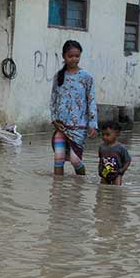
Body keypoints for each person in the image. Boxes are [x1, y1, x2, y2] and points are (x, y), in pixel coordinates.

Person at [51, 40, 98, 177]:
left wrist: (93, 124)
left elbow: (92, 100)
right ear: (64, 56)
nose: (74, 59)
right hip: (61, 126)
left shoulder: (86, 77)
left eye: (77, 56)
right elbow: (53, 100)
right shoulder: (58, 77)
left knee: (75, 159)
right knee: (58, 159)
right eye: (70, 56)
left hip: (79, 127)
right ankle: (57, 191)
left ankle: (81, 182)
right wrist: (54, 120)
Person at [98, 120, 131, 185]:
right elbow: (101, 160)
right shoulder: (101, 147)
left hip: (117, 173)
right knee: (102, 189)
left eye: (107, 134)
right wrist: (100, 170)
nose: (104, 137)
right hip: (105, 172)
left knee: (116, 189)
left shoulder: (121, 148)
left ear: (117, 134)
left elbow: (128, 160)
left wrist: (122, 170)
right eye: (103, 134)